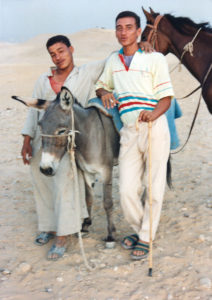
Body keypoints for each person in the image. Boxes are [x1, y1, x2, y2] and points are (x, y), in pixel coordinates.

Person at [21, 34, 152, 260]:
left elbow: (112, 58)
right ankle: (49, 226)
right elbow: (34, 111)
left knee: (63, 179)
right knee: (39, 176)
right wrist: (26, 140)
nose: (58, 56)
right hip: (45, 136)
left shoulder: (85, 72)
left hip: (69, 138)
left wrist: (136, 45)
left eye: (61, 51)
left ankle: (62, 235)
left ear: (71, 49)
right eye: (53, 54)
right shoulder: (43, 79)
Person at [96, 11, 175, 260]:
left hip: (154, 127)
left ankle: (145, 237)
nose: (123, 32)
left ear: (138, 31)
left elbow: (166, 97)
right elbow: (101, 84)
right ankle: (143, 229)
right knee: (127, 190)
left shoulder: (154, 59)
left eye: (129, 27)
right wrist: (103, 93)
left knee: (153, 186)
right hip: (128, 131)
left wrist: (153, 114)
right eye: (119, 27)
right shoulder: (113, 61)